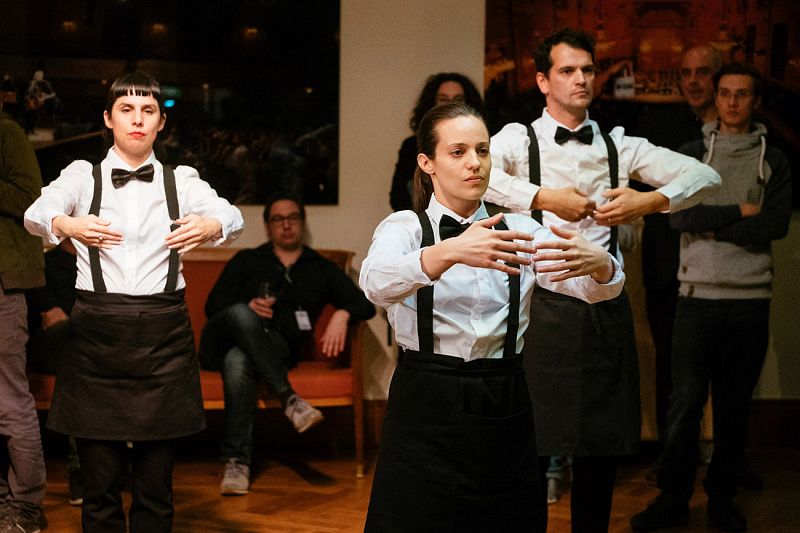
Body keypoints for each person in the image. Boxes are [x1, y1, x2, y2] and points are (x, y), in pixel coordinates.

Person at [483, 28, 721, 532]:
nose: (582, 79)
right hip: (538, 311)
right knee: (529, 447)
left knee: (599, 449)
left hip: (602, 306)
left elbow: (705, 176)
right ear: (543, 81)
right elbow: (478, 176)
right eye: (568, 70)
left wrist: (649, 201)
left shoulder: (619, 145)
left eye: (588, 70)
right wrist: (543, 197)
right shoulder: (517, 140)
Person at [361, 101, 626, 532]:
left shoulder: (523, 230)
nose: (475, 163)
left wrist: (601, 265)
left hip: (504, 397)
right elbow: (375, 283)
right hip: (426, 399)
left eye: (482, 151)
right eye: (458, 152)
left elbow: (595, 290)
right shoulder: (405, 227)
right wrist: (449, 251)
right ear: (427, 163)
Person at [24, 71, 244, 533]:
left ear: (161, 122)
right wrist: (67, 225)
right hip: (96, 337)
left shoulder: (181, 180)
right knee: (99, 490)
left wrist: (211, 225)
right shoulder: (82, 176)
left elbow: (230, 214)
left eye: (148, 110)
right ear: (109, 118)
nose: (138, 119)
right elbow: (37, 212)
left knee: (155, 491)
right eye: (127, 109)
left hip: (164, 338)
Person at [630, 62, 792, 533]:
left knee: (734, 407)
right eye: (725, 93)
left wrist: (712, 221)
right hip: (696, 298)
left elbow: (774, 225)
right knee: (684, 406)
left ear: (755, 101)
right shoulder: (692, 154)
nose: (733, 102)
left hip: (750, 300)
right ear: (716, 99)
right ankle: (674, 497)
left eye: (742, 94)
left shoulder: (773, 159)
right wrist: (740, 210)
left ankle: (722, 496)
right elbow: (680, 219)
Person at [199, 192, 375, 496]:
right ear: (268, 226)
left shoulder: (320, 268)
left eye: (292, 218)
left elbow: (365, 304)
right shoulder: (247, 260)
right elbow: (212, 306)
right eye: (278, 219)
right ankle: (289, 398)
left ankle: (236, 462)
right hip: (220, 341)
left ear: (302, 223)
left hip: (274, 347)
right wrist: (248, 306)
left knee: (238, 360)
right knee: (240, 314)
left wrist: (343, 313)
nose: (286, 225)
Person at [633, 44, 722, 445]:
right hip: (667, 265)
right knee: (668, 362)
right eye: (686, 73)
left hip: (722, 266)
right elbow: (644, 197)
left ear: (718, 77)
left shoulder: (738, 132)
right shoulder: (659, 129)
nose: (693, 81)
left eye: (703, 72)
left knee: (723, 364)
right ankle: (670, 454)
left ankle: (720, 452)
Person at [0, 92, 47, 533]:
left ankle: (27, 507)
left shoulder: (7, 133)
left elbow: (30, 200)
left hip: (3, 284)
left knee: (10, 399)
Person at [24, 239, 84, 506]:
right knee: (73, 335)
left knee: (80, 362)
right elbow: (49, 317)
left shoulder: (102, 263)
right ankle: (81, 470)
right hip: (47, 349)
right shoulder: (45, 264)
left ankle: (83, 470)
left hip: (82, 354)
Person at [389, 72, 483, 211]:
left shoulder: (483, 143)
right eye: (443, 99)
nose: (451, 105)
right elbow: (398, 198)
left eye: (458, 99)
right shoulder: (411, 146)